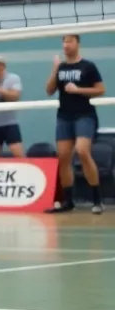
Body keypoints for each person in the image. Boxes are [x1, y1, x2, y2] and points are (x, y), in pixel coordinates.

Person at [46, 35, 105, 214]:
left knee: (82, 151)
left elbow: (101, 90)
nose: (66, 45)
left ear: (77, 44)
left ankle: (97, 200)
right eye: (64, 41)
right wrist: (54, 70)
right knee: (63, 156)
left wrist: (78, 90)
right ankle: (68, 201)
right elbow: (49, 91)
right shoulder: (61, 67)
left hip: (84, 115)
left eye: (70, 41)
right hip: (64, 116)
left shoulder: (88, 66)